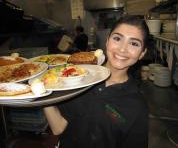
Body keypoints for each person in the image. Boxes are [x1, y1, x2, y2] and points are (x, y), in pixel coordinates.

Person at [43, 15, 149, 148]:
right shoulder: (79, 78)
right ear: (107, 41)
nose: (122, 49)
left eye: (134, 43)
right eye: (117, 38)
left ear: (142, 53)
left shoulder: (137, 106)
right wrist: (43, 91)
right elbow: (58, 127)